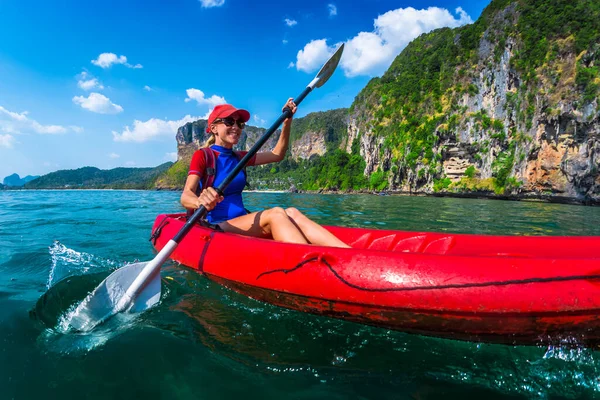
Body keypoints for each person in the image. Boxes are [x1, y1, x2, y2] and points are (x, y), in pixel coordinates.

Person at [180, 99, 350, 248]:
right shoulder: (203, 155)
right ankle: (310, 266)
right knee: (276, 213)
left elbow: (277, 155)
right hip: (215, 225)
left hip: (242, 222)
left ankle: (348, 253)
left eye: (239, 124)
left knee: (291, 212)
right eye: (229, 121)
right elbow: (185, 196)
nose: (235, 127)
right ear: (214, 128)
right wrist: (200, 200)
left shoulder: (240, 157)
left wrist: (287, 122)